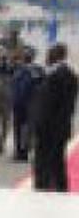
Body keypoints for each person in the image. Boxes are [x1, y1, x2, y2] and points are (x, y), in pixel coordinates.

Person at [31, 43, 77, 192]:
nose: (46, 57)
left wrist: (51, 127)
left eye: (49, 54)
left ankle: (48, 187)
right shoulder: (53, 74)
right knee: (52, 161)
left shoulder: (64, 75)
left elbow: (63, 107)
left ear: (56, 55)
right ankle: (52, 187)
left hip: (53, 128)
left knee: (50, 160)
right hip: (50, 127)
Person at [11, 46, 40, 161]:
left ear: (32, 57)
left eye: (28, 55)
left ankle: (24, 152)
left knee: (27, 129)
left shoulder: (37, 70)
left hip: (30, 104)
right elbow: (15, 86)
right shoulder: (18, 69)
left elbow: (39, 86)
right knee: (18, 128)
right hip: (18, 103)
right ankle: (18, 151)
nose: (26, 57)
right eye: (25, 55)